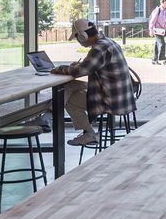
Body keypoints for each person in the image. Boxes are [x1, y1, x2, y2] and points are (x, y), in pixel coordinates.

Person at [51, 18, 136, 146]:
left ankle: (88, 133)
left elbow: (80, 71)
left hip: (112, 100)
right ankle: (48, 115)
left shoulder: (99, 48)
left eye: (77, 38)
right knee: (69, 86)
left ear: (82, 36)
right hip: (121, 94)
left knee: (67, 99)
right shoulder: (108, 42)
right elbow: (91, 66)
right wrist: (79, 65)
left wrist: (59, 69)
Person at [148, 0, 166, 65]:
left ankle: (154, 60)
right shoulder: (158, 10)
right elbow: (152, 21)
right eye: (165, 3)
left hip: (163, 31)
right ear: (161, 3)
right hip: (157, 31)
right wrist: (151, 30)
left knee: (157, 45)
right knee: (162, 44)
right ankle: (163, 60)